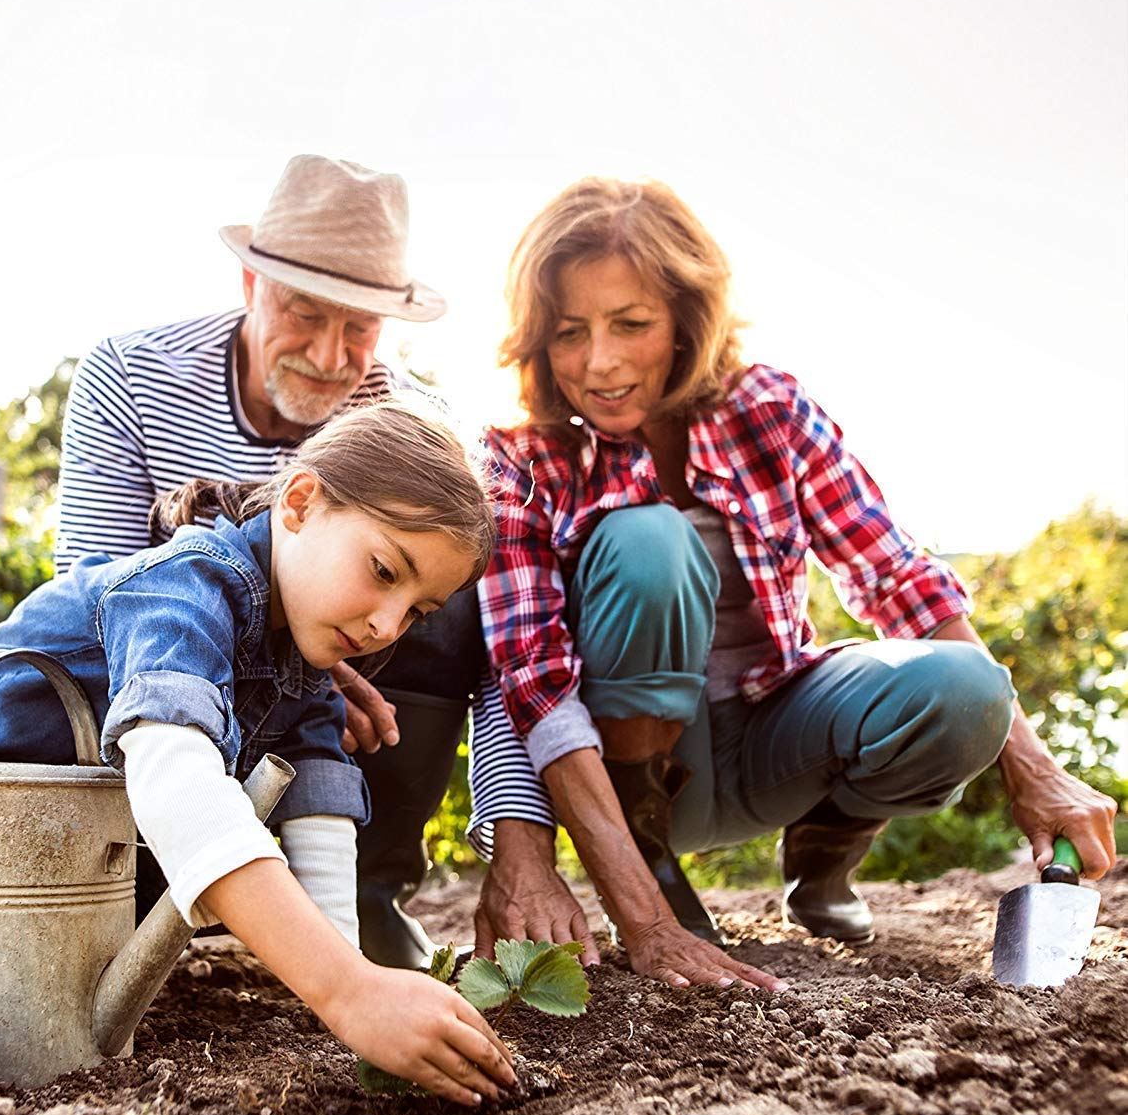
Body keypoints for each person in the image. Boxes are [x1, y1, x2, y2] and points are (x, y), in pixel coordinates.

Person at [0, 402, 517, 1105]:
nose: (384, 625)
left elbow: (319, 809)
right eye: (384, 571)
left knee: (174, 883)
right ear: (300, 502)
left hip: (80, 851)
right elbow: (174, 772)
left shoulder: (305, 654)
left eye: (417, 611)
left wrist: (351, 974)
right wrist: (346, 992)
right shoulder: (188, 586)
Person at [469, 177, 1118, 989]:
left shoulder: (769, 408)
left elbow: (896, 578)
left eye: (631, 324)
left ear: (683, 321)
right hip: (633, 774)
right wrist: (648, 925)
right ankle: (655, 864)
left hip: (776, 732)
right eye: (570, 333)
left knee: (968, 690)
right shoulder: (522, 458)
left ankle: (823, 851)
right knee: (647, 542)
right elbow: (533, 689)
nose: (599, 363)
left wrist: (1035, 769)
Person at [56, 152, 503, 969]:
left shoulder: (410, 419)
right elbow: (98, 586)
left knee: (444, 578)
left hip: (317, 694)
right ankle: (141, 875)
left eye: (361, 327)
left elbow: (491, 658)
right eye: (306, 312)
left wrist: (514, 842)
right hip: (168, 683)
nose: (334, 357)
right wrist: (309, 665)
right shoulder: (129, 373)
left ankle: (369, 884)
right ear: (250, 285)